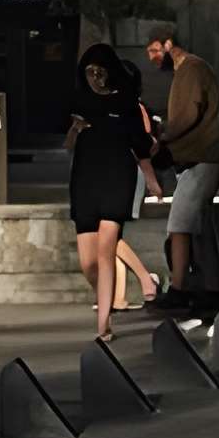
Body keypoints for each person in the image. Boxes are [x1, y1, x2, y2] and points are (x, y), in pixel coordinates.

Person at [67, 43, 163, 343]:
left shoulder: (126, 104)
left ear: (110, 72)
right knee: (89, 262)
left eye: (100, 71)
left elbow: (140, 146)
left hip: (116, 178)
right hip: (85, 181)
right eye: (90, 72)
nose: (95, 77)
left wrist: (152, 181)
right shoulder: (79, 101)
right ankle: (105, 299)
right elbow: (68, 145)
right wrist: (75, 130)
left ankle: (104, 323)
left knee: (107, 248)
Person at [149, 31, 219, 297]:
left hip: (201, 159)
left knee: (180, 225)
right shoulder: (190, 70)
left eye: (154, 50)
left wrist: (165, 136)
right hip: (201, 158)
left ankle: (179, 288)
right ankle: (213, 289)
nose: (152, 58)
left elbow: (190, 113)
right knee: (201, 229)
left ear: (169, 44)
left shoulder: (192, 69)